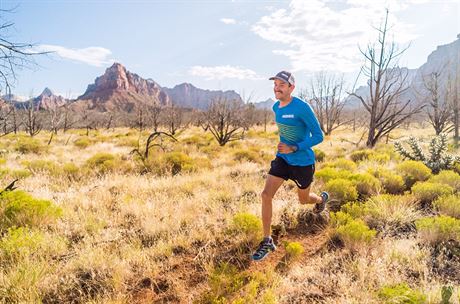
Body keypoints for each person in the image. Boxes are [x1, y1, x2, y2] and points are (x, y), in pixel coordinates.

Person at [251, 70, 329, 261]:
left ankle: (321, 200)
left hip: (303, 163)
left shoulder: (302, 107)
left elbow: (319, 136)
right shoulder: (276, 107)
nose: (277, 88)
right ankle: (267, 240)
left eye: (282, 85)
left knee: (303, 200)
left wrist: (294, 147)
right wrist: (285, 150)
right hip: (283, 159)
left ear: (291, 87)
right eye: (275, 84)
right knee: (265, 195)